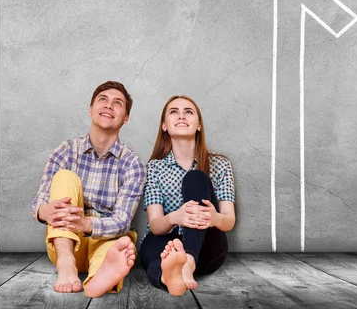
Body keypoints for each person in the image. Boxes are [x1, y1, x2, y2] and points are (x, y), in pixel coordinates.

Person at [30, 81, 146, 297]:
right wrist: (45, 211)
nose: (109, 105)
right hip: (64, 239)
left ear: (126, 118)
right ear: (91, 109)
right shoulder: (65, 151)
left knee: (116, 247)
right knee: (65, 177)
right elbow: (40, 200)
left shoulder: (133, 164)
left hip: (104, 238)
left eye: (117, 103)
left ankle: (99, 278)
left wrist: (85, 223)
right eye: (103, 99)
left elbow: (122, 220)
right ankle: (66, 264)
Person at [139, 95, 236, 296]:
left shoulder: (220, 164)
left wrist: (215, 218)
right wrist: (177, 217)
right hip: (167, 239)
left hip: (207, 246)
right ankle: (168, 277)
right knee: (153, 250)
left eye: (188, 112)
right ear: (164, 125)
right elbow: (156, 226)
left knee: (195, 178)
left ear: (199, 125)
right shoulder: (155, 168)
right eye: (174, 112)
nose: (181, 116)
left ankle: (188, 263)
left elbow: (229, 221)